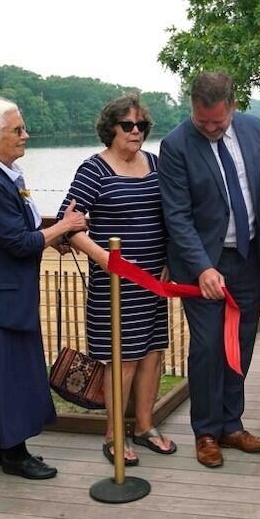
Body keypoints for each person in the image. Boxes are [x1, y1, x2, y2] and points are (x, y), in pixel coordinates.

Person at [0, 97, 87, 479]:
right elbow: (18, 243)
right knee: (8, 372)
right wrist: (63, 226)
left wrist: (51, 236)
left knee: (0, 370)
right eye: (17, 130)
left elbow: (18, 232)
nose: (27, 135)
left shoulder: (4, 173)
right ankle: (14, 455)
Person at [158, 71, 260, 469]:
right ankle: (205, 432)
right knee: (208, 347)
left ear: (233, 106)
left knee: (240, 343)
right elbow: (176, 215)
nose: (209, 128)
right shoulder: (175, 145)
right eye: (202, 120)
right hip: (202, 265)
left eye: (218, 122)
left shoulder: (255, 128)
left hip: (248, 257)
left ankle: (232, 424)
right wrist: (203, 267)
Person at [59, 95, 175, 466]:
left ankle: (144, 426)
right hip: (115, 288)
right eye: (128, 125)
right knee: (121, 361)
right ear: (111, 128)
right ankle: (114, 435)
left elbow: (171, 218)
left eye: (142, 125)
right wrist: (109, 261)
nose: (136, 131)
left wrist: (170, 260)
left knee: (153, 355)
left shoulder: (156, 164)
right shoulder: (93, 170)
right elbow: (70, 226)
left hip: (154, 283)